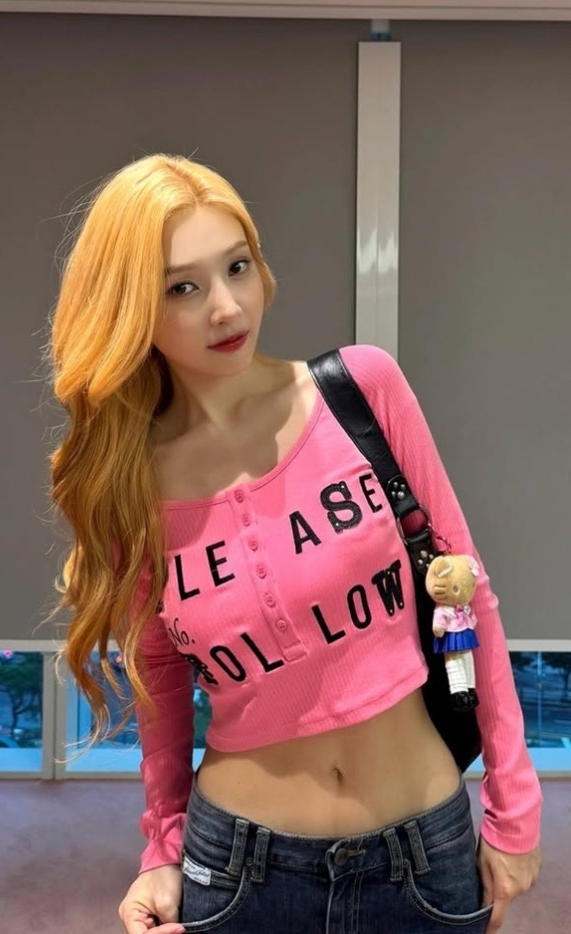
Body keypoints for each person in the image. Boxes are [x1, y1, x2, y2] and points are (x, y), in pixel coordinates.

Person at [49, 154, 542, 934]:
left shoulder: (360, 390)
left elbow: (467, 592)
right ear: (130, 308)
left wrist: (514, 812)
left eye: (236, 267)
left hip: (424, 853)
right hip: (239, 872)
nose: (225, 307)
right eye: (182, 288)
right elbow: (160, 681)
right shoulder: (128, 481)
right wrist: (163, 851)